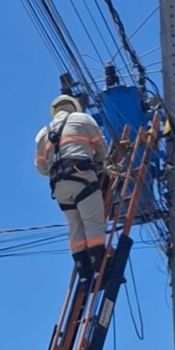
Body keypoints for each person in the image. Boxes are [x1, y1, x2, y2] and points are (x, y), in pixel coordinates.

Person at [34, 94, 108, 281]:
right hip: (82, 176)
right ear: (74, 107)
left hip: (59, 186)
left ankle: (83, 270)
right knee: (92, 220)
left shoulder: (43, 133)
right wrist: (98, 162)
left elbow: (41, 168)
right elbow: (101, 148)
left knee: (75, 226)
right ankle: (99, 265)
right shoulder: (83, 119)